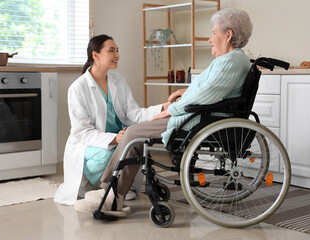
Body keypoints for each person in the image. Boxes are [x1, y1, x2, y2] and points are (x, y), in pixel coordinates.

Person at [74, 8, 253, 216]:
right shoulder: (230, 60)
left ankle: (109, 193)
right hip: (198, 115)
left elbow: (206, 96)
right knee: (137, 136)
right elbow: (209, 89)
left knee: (133, 133)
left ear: (228, 35)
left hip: (196, 119)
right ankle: (113, 194)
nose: (210, 38)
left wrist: (169, 111)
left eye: (214, 33)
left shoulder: (231, 61)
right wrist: (182, 92)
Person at [54, 34, 172, 205]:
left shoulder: (118, 81)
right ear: (95, 55)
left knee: (131, 148)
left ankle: (114, 188)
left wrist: (163, 107)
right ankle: (101, 187)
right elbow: (81, 132)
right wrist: (114, 138)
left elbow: (134, 113)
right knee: (115, 154)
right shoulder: (78, 88)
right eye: (112, 51)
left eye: (117, 50)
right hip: (90, 144)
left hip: (119, 139)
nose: (117, 55)